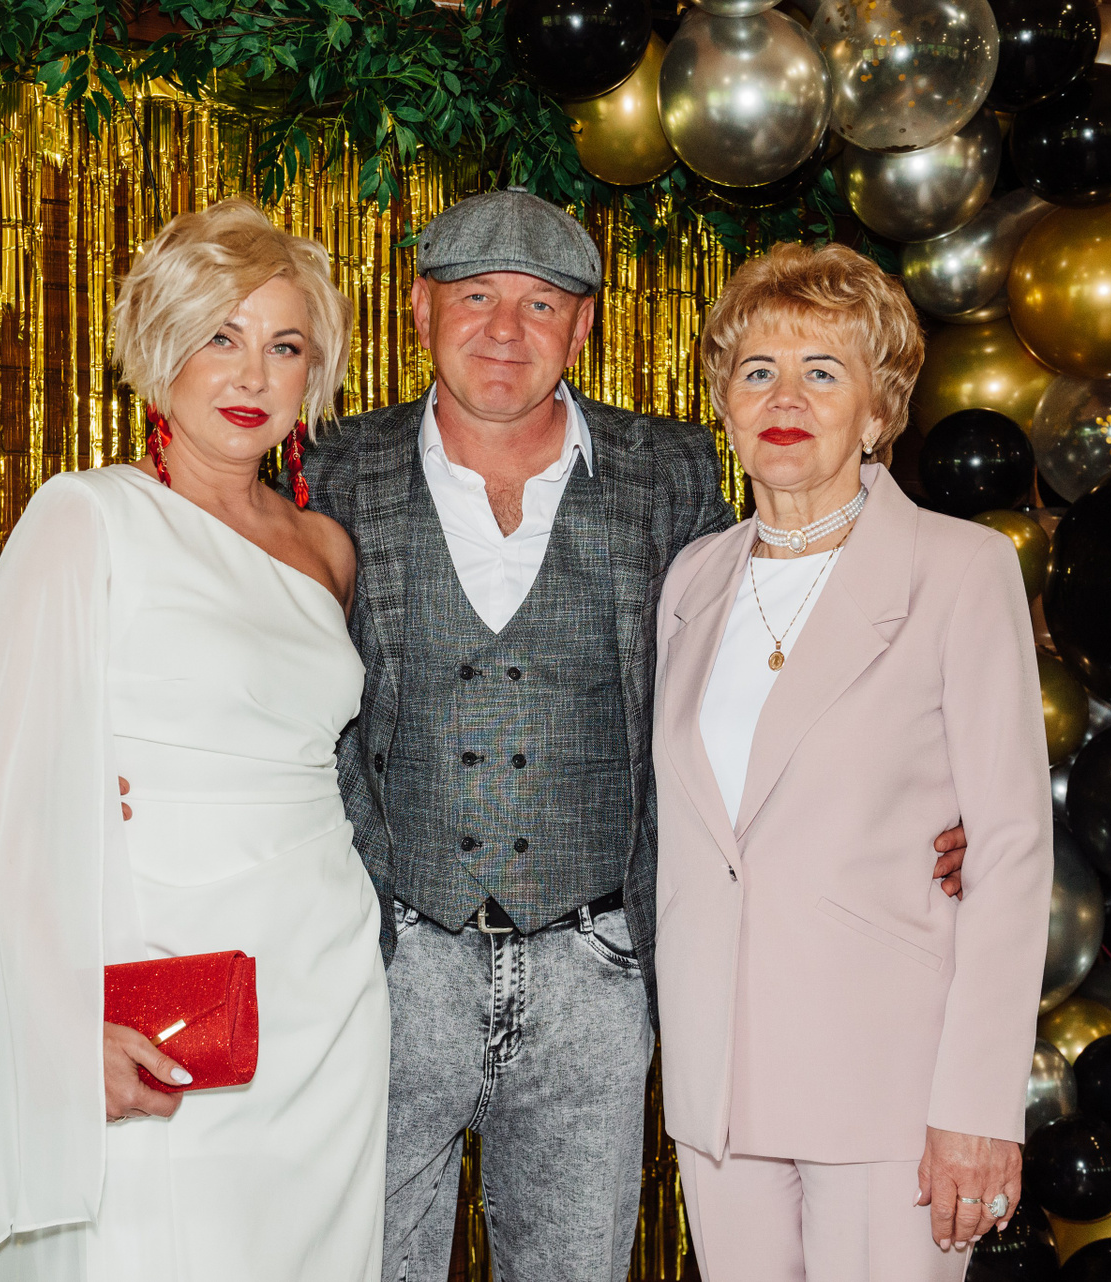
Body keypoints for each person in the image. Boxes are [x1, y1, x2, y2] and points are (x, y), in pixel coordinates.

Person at [304, 192, 971, 1282]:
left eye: (541, 303)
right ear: (420, 310)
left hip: (600, 963)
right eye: (475, 297)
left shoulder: (671, 467)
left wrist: (937, 804)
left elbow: (762, 662)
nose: (505, 329)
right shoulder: (336, 464)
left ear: (582, 328)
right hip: (391, 960)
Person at [0, 199, 390, 1282]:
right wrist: (60, 1027)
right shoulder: (85, 517)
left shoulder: (326, 548)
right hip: (164, 976)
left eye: (284, 346)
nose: (252, 374)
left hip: (327, 981)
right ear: (159, 345)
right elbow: (15, 812)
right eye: (221, 335)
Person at [651, 242, 1054, 1282]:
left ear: (879, 412)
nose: (785, 398)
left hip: (890, 1081)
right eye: (758, 371)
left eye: (822, 371)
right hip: (717, 1083)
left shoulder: (959, 569)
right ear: (725, 403)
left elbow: (1011, 850)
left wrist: (977, 1104)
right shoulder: (693, 579)